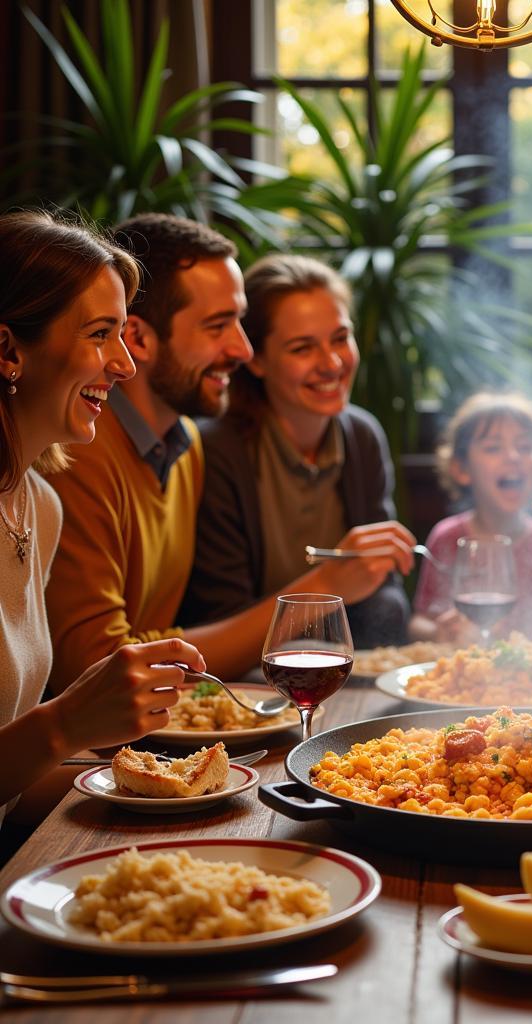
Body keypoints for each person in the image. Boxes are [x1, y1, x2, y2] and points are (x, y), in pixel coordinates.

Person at [44, 214, 414, 694]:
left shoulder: (185, 446)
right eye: (218, 326)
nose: (241, 349)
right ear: (138, 339)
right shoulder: (76, 451)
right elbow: (95, 669)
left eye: (239, 322)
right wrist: (325, 588)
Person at [0, 210, 205, 827]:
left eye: (123, 334)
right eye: (99, 334)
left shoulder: (38, 505)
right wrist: (66, 724)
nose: (125, 364)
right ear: (9, 350)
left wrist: (189, 788)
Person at [179, 254, 414, 648]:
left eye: (340, 338)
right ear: (255, 360)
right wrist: (329, 584)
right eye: (303, 348)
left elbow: (383, 596)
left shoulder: (362, 437)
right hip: (244, 680)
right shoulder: (215, 450)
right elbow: (220, 622)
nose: (333, 363)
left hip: (340, 666)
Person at [410, 392, 532, 644]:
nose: (513, 457)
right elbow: (419, 622)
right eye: (493, 448)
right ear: (461, 469)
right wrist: (437, 632)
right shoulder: (447, 537)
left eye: (525, 447)